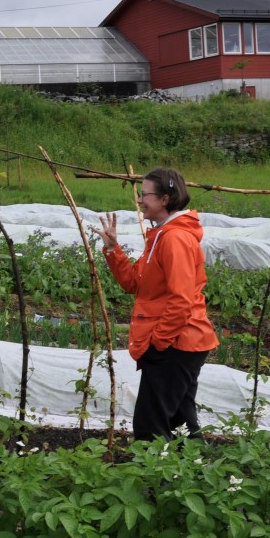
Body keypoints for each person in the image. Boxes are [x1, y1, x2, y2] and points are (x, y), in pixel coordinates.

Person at [92, 167, 219, 442]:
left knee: (151, 426)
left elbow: (182, 299)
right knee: (181, 423)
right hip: (178, 343)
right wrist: (114, 249)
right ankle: (199, 478)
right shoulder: (161, 235)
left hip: (176, 343)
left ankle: (153, 482)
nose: (139, 200)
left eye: (145, 194)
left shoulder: (175, 239)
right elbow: (135, 284)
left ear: (165, 199)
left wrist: (159, 342)